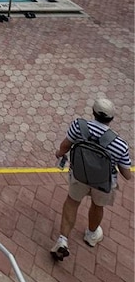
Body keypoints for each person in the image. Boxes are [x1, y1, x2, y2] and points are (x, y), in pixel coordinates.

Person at [51, 97, 131, 261]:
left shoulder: (79, 126)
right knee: (97, 206)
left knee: (72, 203)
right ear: (111, 118)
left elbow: (65, 145)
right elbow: (126, 174)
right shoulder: (120, 144)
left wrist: (59, 154)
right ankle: (92, 234)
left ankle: (63, 240)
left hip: (79, 175)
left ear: (93, 112)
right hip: (103, 183)